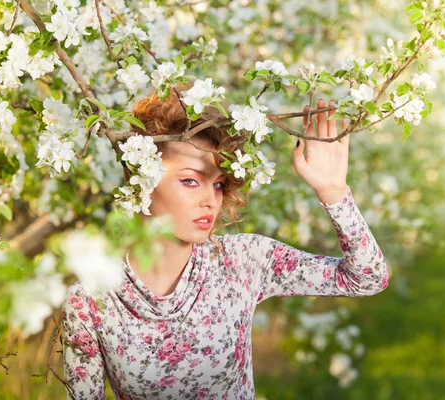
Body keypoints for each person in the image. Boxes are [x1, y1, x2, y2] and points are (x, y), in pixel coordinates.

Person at [62, 83, 389, 400]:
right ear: (141, 180)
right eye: (190, 180)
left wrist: (333, 193)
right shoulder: (90, 301)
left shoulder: (244, 261)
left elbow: (367, 278)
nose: (210, 200)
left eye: (218, 184)